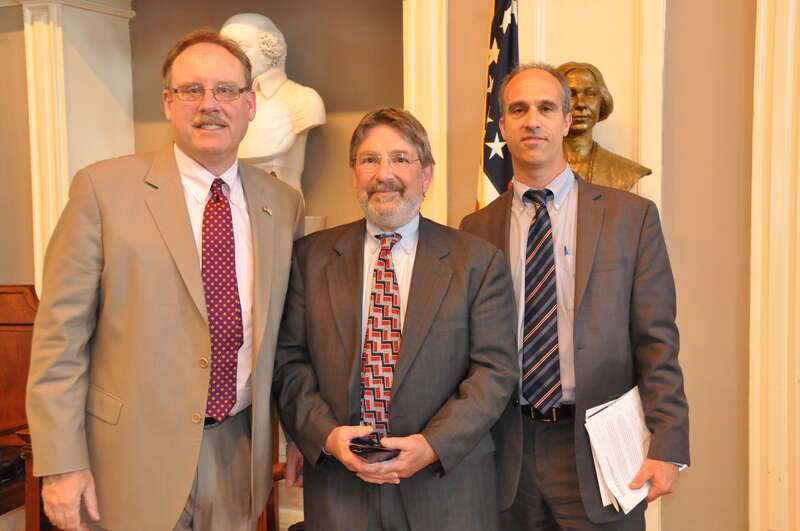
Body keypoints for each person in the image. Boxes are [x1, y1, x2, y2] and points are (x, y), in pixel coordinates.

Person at [25, 29, 303, 531]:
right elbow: (59, 340)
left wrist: (299, 435)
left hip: (237, 456)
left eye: (226, 90)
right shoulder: (102, 190)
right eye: (191, 90)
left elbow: (287, 336)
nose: (209, 105)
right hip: (128, 459)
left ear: (250, 104)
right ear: (168, 103)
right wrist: (62, 464)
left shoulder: (282, 203)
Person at [460, 64, 689, 529]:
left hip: (600, 448)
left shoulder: (632, 217)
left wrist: (669, 442)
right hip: (507, 451)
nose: (532, 121)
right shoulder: (475, 229)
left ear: (566, 120)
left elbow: (656, 338)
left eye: (546, 108)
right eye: (518, 110)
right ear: (502, 126)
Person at [274, 108, 518, 531]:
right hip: (340, 491)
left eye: (401, 159)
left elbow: (494, 372)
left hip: (445, 489)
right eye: (370, 159)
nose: (384, 173)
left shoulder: (476, 262)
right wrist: (327, 436)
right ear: (354, 174)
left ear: (426, 176)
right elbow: (289, 364)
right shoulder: (310, 258)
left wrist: (430, 445)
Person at [220, 13, 326, 195]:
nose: (232, 57)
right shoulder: (215, 105)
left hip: (283, 214)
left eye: (241, 47)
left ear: (271, 50)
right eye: (226, 49)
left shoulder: (304, 99)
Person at [557, 61, 651, 191]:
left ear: (602, 101)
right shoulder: (533, 166)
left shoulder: (625, 171)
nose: (581, 104)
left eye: (590, 94)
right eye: (571, 94)